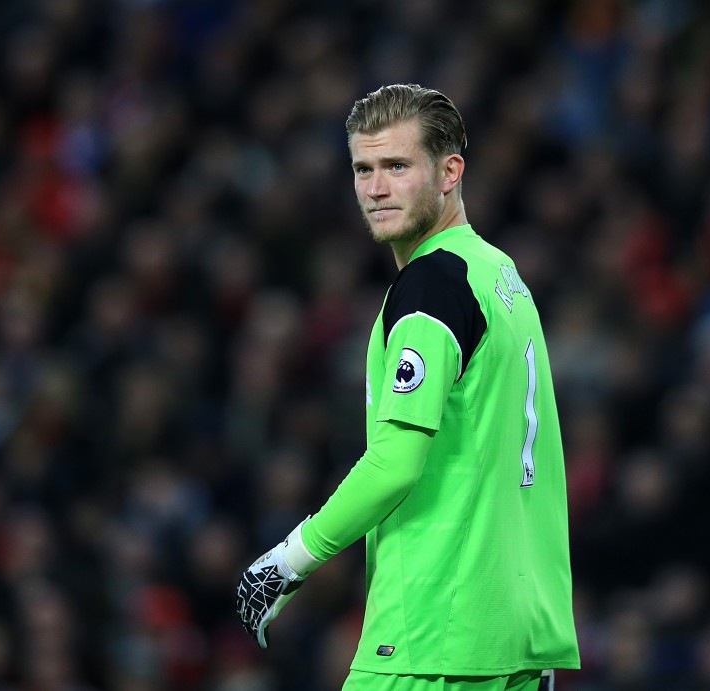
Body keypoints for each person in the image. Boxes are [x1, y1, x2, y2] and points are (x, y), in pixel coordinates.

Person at [237, 84, 581, 691]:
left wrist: (287, 561)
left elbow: (395, 463)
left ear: (450, 172)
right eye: (363, 169)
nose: (376, 188)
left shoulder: (433, 287)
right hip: (518, 636)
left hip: (433, 633)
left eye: (397, 166)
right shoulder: (499, 274)